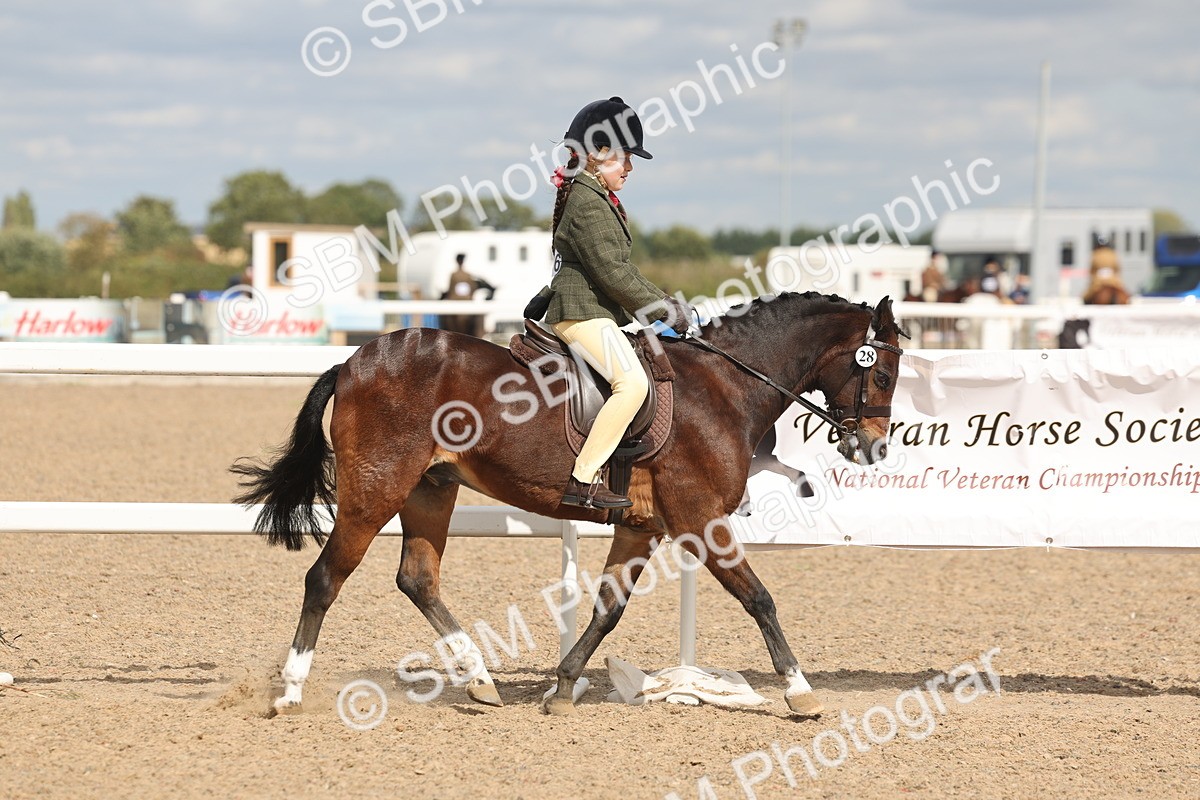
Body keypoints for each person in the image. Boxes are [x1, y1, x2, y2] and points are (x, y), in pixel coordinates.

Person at [541, 96, 690, 509]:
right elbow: (612, 274)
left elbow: (624, 269)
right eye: (624, 158)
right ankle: (583, 479)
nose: (629, 168)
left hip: (593, 311)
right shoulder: (587, 201)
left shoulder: (595, 195)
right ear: (596, 154)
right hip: (580, 313)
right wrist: (663, 311)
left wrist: (665, 301)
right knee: (632, 385)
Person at [440, 253, 496, 337]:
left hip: (456, 303)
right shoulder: (467, 275)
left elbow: (451, 290)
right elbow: (472, 289)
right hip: (466, 302)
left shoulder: (455, 275)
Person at [1082, 238, 1130, 305]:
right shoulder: (1113, 254)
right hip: (1113, 279)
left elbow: (1092, 270)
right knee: (1122, 290)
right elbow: (1117, 269)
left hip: (1099, 280)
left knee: (1086, 297)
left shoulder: (1095, 254)